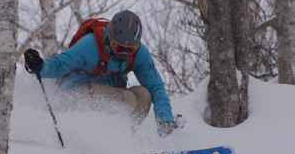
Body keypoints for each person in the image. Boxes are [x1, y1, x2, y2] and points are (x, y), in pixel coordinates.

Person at [24, 10, 179, 137]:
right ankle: (110, 138)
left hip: (106, 97)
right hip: (71, 96)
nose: (124, 53)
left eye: (130, 49)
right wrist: (40, 65)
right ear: (110, 38)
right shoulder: (90, 45)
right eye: (119, 48)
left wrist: (164, 119)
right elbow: (58, 65)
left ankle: (125, 139)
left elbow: (156, 86)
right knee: (127, 98)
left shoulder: (140, 53)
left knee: (143, 95)